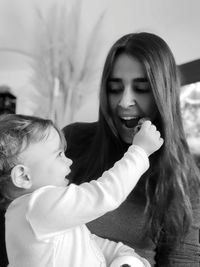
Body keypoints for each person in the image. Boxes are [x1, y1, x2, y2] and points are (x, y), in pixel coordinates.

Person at [63, 32, 200, 266]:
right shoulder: (72, 140)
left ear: (163, 93)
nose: (125, 101)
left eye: (142, 88)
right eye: (115, 88)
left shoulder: (185, 181)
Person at [0, 114, 163, 267]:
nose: (69, 160)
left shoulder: (34, 215)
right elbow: (106, 193)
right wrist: (140, 151)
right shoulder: (37, 207)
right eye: (59, 155)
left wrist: (125, 254)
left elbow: (87, 241)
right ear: (23, 176)